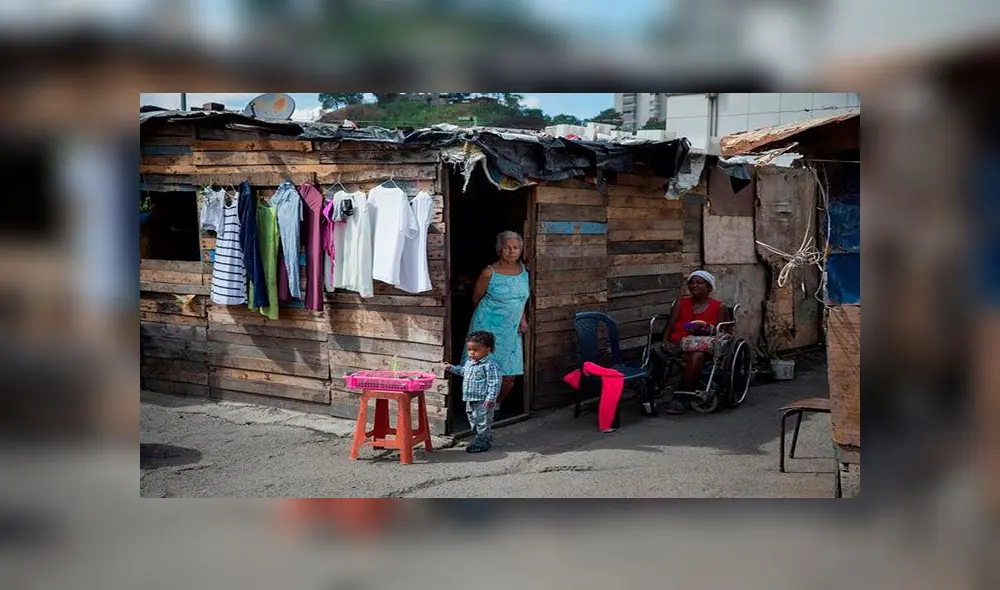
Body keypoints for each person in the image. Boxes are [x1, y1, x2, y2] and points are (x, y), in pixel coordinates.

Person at [650, 270, 731, 415]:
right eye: (692, 283)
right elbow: (670, 324)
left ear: (709, 287)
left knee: (697, 356)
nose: (694, 285)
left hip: (701, 348)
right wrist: (665, 340)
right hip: (677, 343)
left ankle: (682, 396)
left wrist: (707, 329)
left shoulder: (719, 307)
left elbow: (726, 332)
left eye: (699, 282)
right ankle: (660, 390)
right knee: (656, 350)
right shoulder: (681, 304)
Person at [463, 231, 530, 403]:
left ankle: (494, 406)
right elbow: (476, 299)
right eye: (507, 247)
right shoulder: (489, 272)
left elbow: (521, 300)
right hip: (487, 327)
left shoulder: (523, 271)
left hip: (511, 330)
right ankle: (478, 408)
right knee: (482, 371)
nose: (512, 251)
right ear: (499, 250)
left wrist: (522, 320)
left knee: (509, 374)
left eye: (516, 247)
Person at [445, 331, 503, 453]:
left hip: (483, 400)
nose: (471, 353)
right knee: (473, 421)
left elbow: (495, 383)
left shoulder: (489, 365)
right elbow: (463, 372)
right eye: (469, 350)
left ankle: (482, 443)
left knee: (482, 422)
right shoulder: (470, 362)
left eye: (475, 350)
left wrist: (490, 399)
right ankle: (484, 437)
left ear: (487, 350)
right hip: (470, 398)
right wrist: (451, 368)